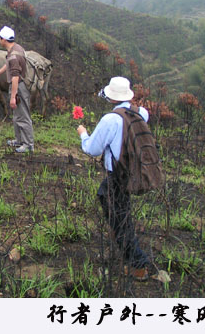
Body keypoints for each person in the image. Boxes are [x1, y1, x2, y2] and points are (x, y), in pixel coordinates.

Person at [76, 76, 151, 280]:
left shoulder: (111, 119)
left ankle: (138, 263)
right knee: (115, 206)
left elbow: (92, 149)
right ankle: (121, 241)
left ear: (111, 97)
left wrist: (83, 133)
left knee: (119, 217)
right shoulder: (141, 113)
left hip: (117, 175)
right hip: (136, 171)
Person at [0, 26, 34, 153]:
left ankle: (28, 144)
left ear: (4, 39)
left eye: (0, 38)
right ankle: (19, 140)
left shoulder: (14, 55)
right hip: (17, 86)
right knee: (17, 115)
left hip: (19, 86)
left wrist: (13, 96)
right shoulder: (16, 48)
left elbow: (15, 77)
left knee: (23, 115)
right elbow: (8, 64)